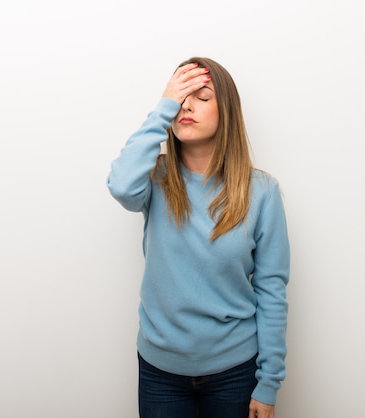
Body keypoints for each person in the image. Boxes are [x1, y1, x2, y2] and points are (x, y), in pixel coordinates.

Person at [107, 57, 290, 418]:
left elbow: (272, 291)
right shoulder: (155, 180)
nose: (186, 105)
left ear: (228, 113)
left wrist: (269, 382)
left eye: (202, 97)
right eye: (180, 98)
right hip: (160, 373)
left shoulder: (262, 192)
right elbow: (121, 185)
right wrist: (163, 107)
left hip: (235, 374)